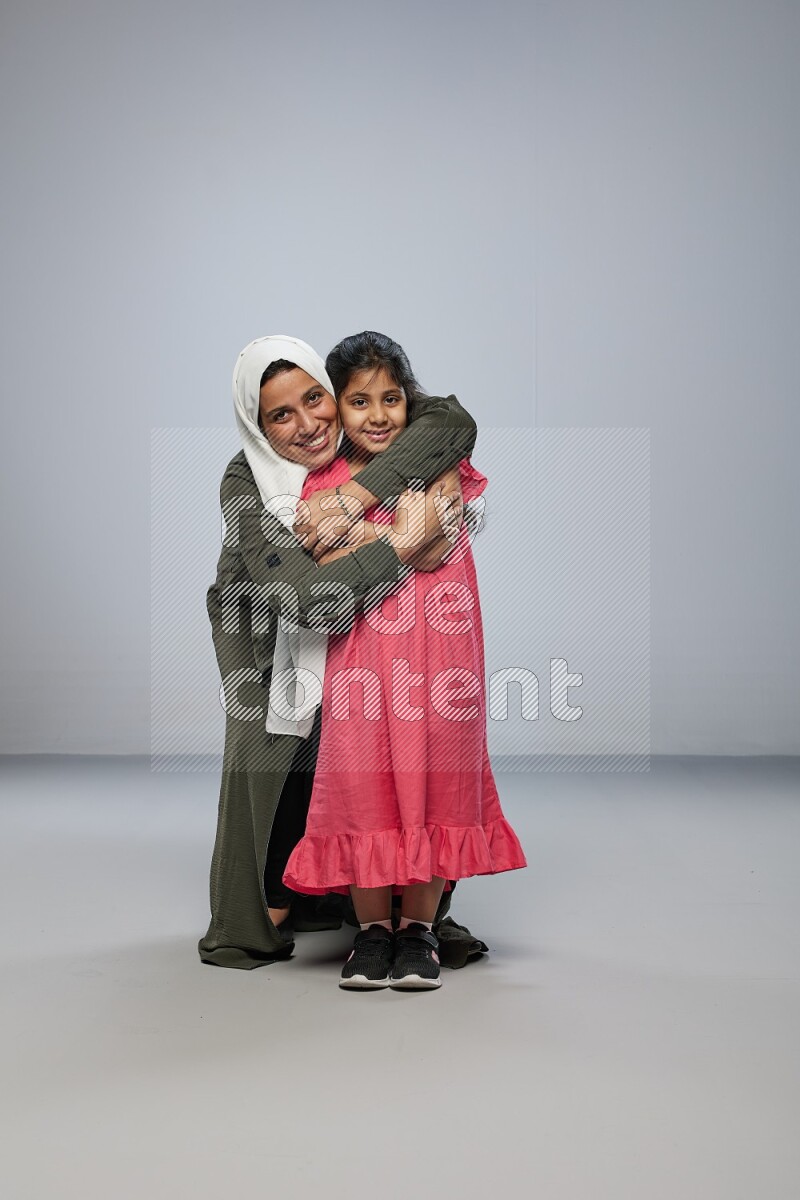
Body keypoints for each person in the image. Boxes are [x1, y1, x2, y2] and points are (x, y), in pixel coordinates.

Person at [198, 334, 487, 970]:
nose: (307, 425)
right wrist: (405, 543)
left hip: (363, 649)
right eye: (280, 415)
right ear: (256, 422)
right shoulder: (249, 480)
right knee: (282, 798)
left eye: (313, 400)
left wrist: (356, 500)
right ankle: (283, 897)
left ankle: (415, 919)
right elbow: (311, 602)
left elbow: (451, 421)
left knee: (403, 759)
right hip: (273, 651)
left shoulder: (362, 448)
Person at [282, 332, 527, 990]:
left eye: (391, 398)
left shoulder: (435, 458)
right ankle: (372, 932)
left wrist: (364, 529)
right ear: (336, 409)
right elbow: (333, 555)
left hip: (442, 656)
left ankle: (417, 928)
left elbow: (433, 546)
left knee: (434, 776)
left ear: (408, 402)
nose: (379, 414)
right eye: (360, 401)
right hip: (363, 659)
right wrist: (399, 527)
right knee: (362, 780)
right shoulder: (325, 479)